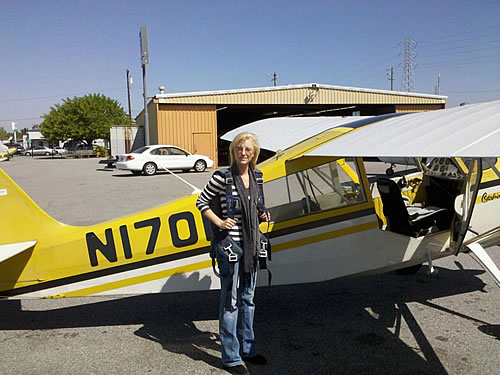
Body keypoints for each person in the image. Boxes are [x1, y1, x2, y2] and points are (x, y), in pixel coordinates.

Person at [196, 132, 269, 375]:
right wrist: (219, 222)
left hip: (252, 247)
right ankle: (231, 358)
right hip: (231, 249)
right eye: (239, 148)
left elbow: (259, 206)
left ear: (254, 152)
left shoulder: (258, 176)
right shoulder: (222, 176)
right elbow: (201, 202)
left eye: (248, 149)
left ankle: (248, 349)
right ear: (233, 151)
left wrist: (263, 215)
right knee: (231, 302)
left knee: (248, 300)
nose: (243, 153)